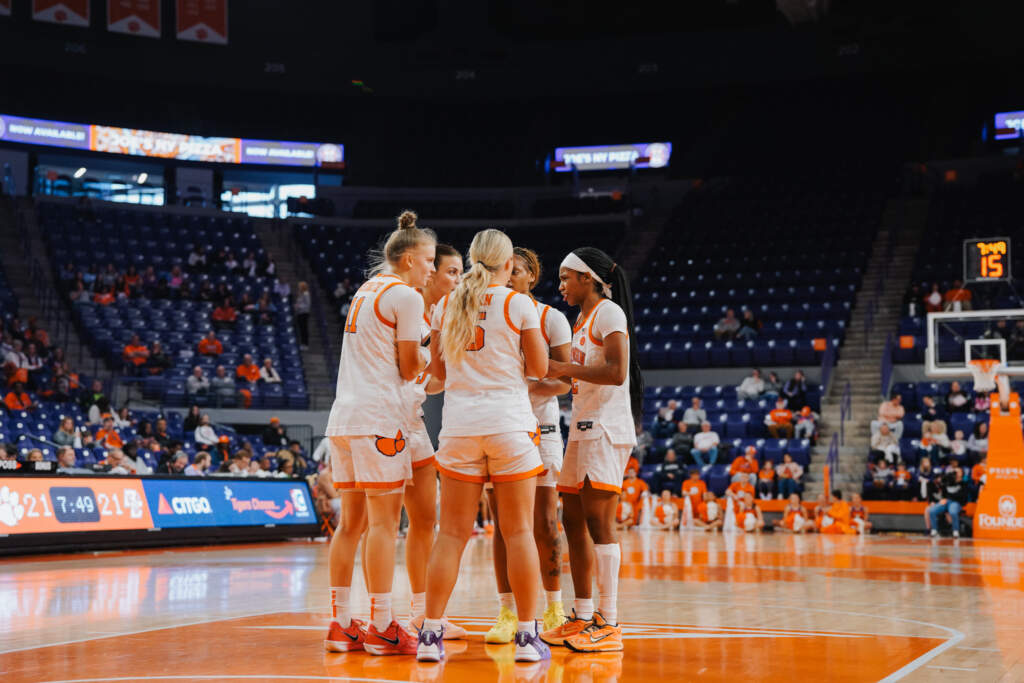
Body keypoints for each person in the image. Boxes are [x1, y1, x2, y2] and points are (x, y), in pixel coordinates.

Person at [417, 228, 550, 664]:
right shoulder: (520, 304)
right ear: (509, 265)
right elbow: (539, 368)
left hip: (459, 428)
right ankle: (528, 637)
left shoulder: (445, 304)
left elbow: (435, 374)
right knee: (518, 533)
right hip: (509, 426)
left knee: (451, 534)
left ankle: (430, 634)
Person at [324, 211, 435, 658]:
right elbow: (410, 367)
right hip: (380, 421)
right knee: (385, 526)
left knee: (350, 525)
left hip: (344, 419)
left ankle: (341, 623)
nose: (430, 268)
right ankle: (384, 626)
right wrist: (432, 352)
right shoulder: (406, 297)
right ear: (408, 258)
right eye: (428, 260)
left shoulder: (364, 290)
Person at [534, 245, 640, 656]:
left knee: (599, 520)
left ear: (588, 278)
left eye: (565, 277)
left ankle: (610, 621)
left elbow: (616, 372)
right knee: (573, 521)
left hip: (606, 428)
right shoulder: (581, 321)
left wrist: (563, 369)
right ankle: (582, 612)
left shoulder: (609, 313)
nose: (560, 285)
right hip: (580, 426)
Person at [485, 246, 572, 643]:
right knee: (502, 528)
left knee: (542, 523)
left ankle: (553, 605)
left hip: (541, 428)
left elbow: (566, 380)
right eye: (505, 270)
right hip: (500, 427)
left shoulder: (550, 317)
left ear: (531, 276)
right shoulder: (489, 311)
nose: (509, 275)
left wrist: (527, 386)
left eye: (516, 271)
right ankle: (507, 612)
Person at [927, 467, 969, 538]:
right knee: (931, 510)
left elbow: (962, 496)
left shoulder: (964, 483)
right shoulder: (949, 481)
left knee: (952, 511)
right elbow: (944, 490)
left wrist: (950, 497)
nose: (956, 473)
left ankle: (955, 531)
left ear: (962, 474)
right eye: (955, 471)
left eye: (958, 472)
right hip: (947, 501)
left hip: (956, 502)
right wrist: (944, 498)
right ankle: (934, 530)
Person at [295, 281, 311, 349]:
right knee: (301, 329)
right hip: (299, 313)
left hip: (304, 313)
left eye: (300, 286)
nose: (298, 288)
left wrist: (299, 306)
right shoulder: (300, 294)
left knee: (304, 329)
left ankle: (305, 344)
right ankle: (302, 343)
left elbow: (307, 305)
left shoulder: (306, 294)